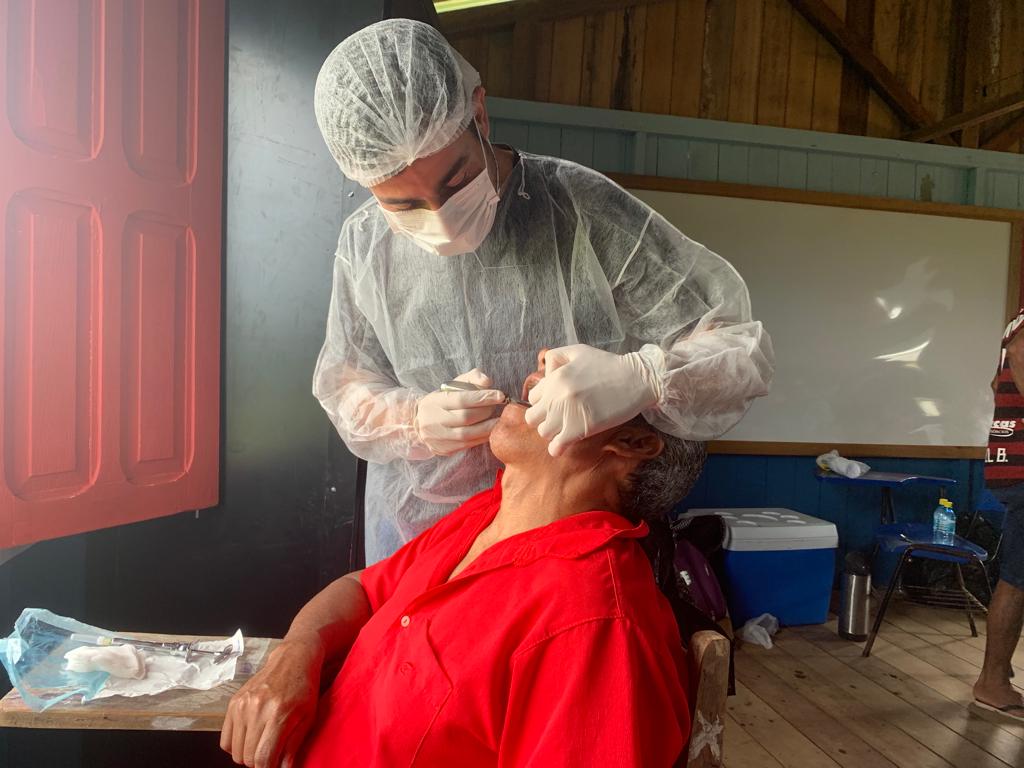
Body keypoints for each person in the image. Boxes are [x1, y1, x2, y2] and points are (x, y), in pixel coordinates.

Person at [311, 19, 773, 564]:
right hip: (424, 543)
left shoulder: (580, 209)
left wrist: (645, 377)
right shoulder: (366, 245)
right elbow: (347, 386)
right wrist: (412, 419)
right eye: (403, 206)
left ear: (479, 113)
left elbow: (739, 350)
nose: (439, 217)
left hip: (568, 545)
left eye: (455, 181)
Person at [221, 351, 705, 768]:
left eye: (587, 374)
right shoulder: (486, 514)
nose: (545, 356)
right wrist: (295, 655)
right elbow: (363, 590)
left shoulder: (598, 624)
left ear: (634, 445)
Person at [974, 307, 1024, 720]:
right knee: (1018, 578)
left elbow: (997, 382)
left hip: (1010, 465)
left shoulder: (1017, 321)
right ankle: (992, 681)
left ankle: (998, 669)